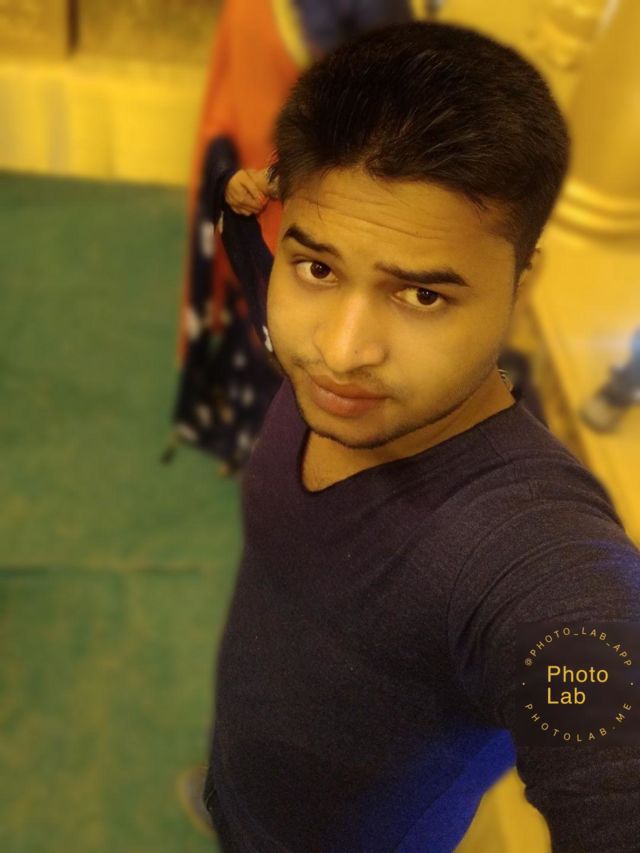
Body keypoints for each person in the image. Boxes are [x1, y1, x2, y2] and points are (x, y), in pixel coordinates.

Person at [202, 19, 640, 853]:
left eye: (423, 296)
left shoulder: (527, 548)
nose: (340, 352)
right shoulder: (307, 353)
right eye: (318, 267)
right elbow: (257, 256)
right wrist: (239, 202)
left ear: (521, 283)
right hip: (242, 784)